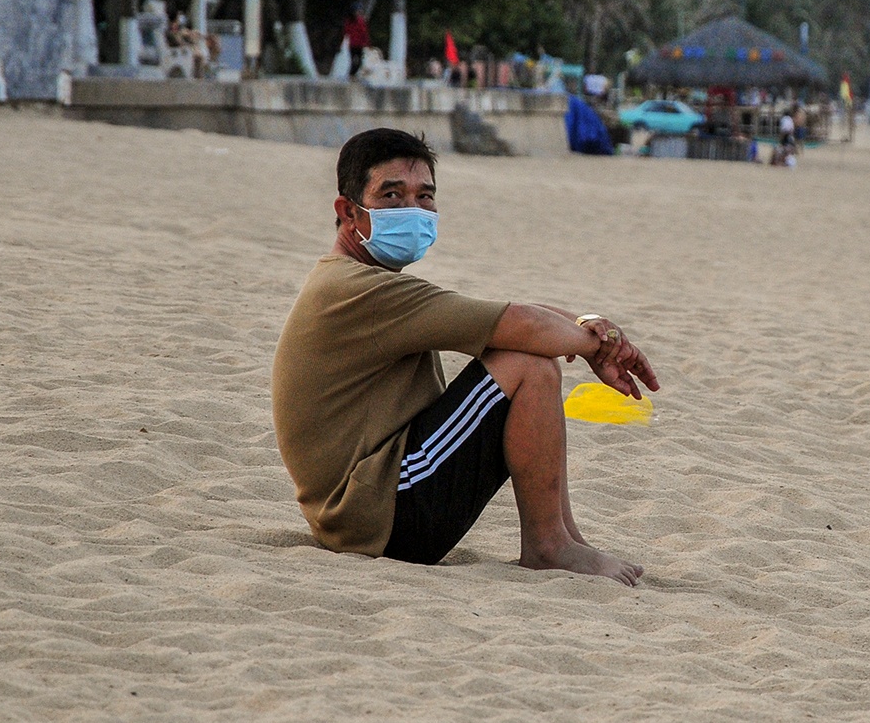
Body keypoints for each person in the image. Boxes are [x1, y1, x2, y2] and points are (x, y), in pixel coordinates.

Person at [271, 128, 655, 583]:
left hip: (367, 510)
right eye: (391, 195)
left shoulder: (365, 281)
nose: (413, 210)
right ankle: (549, 544)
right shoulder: (356, 289)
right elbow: (522, 326)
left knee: (526, 353)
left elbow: (502, 316)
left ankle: (566, 539)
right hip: (378, 513)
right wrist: (604, 346)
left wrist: (594, 328)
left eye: (424, 196)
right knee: (527, 365)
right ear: (349, 211)